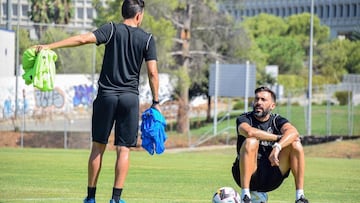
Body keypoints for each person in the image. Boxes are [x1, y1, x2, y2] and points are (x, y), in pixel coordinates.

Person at [33, 0, 159, 202]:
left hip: (106, 96)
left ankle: (91, 198)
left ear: (123, 13)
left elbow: (82, 39)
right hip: (129, 99)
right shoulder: (147, 39)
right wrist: (156, 101)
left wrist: (50, 46)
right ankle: (116, 199)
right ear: (139, 16)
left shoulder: (110, 29)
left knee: (98, 147)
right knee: (123, 150)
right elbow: (153, 73)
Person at [232, 86, 309, 203]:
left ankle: (300, 197)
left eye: (263, 100)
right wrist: (278, 138)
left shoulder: (276, 120)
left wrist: (278, 147)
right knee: (250, 141)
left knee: (295, 145)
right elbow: (249, 132)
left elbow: (294, 132)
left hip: (272, 175)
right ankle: (245, 196)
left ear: (272, 106)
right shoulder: (244, 118)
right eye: (256, 99)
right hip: (248, 174)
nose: (258, 102)